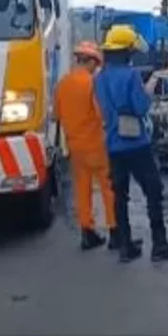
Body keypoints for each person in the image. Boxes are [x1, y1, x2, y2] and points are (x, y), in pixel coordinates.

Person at [94, 24, 168, 263]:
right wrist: (147, 92)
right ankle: (160, 245)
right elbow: (141, 107)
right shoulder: (130, 75)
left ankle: (126, 248)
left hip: (113, 143)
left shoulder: (99, 77)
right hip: (136, 143)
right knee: (153, 191)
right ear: (126, 51)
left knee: (120, 196)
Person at [53, 41, 117, 251]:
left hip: (75, 146)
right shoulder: (92, 83)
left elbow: (57, 115)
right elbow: (102, 114)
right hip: (96, 144)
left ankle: (87, 233)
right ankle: (115, 232)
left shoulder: (63, 83)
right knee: (108, 188)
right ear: (89, 61)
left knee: (83, 190)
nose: (96, 68)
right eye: (95, 64)